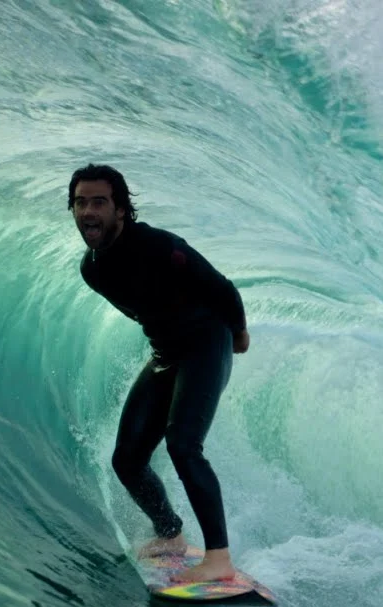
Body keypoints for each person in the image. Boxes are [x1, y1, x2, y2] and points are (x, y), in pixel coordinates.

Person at [68, 163, 249, 584]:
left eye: (99, 202)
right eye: (79, 203)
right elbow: (143, 311)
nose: (88, 212)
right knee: (127, 460)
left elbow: (221, 288)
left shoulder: (160, 247)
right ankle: (170, 535)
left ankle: (219, 559)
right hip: (168, 353)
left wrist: (238, 334)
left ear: (121, 210)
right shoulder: (92, 269)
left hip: (207, 343)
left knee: (184, 445)